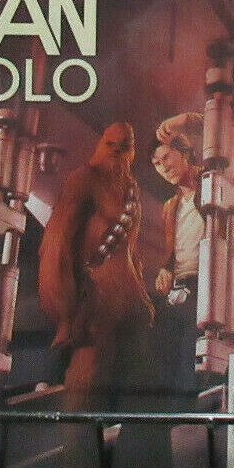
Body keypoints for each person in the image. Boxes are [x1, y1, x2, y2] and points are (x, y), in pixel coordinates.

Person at [37, 121, 154, 411]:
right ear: (101, 144)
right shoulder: (83, 181)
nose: (115, 152)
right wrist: (65, 318)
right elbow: (57, 246)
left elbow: (130, 250)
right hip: (94, 311)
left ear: (132, 152)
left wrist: (141, 295)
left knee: (141, 400)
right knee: (85, 398)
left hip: (132, 310)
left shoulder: (131, 189)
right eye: (110, 144)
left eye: (123, 147)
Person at [150, 113, 207, 398]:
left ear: (185, 153)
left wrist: (179, 122)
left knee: (189, 357)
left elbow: (220, 126)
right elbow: (174, 248)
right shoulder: (170, 206)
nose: (163, 167)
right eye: (156, 164)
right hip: (180, 287)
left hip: (209, 284)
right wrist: (165, 268)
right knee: (161, 351)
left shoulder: (212, 183)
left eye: (166, 157)